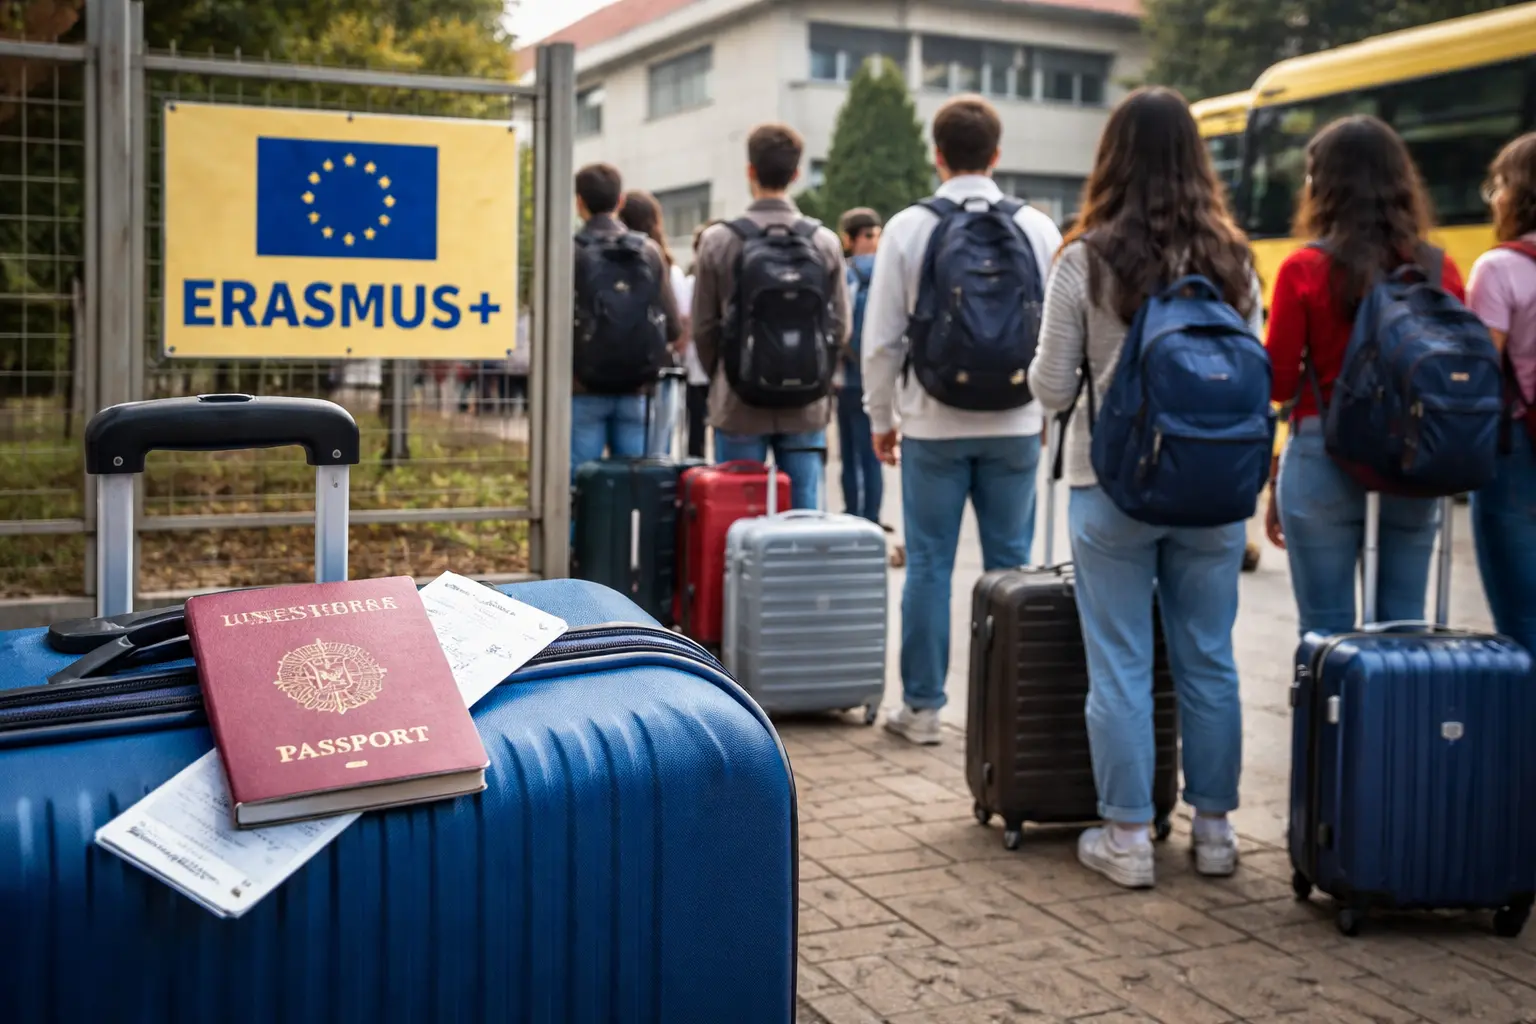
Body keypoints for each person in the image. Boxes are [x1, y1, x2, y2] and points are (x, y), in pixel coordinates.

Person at [1030, 86, 1263, 887]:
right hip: (1213, 489)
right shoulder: (1235, 259)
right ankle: (1217, 833)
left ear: (1112, 156)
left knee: (1122, 663)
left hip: (1111, 487)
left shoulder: (1085, 257)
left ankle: (1128, 840)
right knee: (1210, 660)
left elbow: (1055, 388)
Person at [863, 95, 1061, 745]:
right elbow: (1056, 338)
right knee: (1009, 569)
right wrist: (1046, 414)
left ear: (937, 155)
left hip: (931, 423)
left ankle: (921, 710)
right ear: (997, 155)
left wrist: (881, 416)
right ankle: (1008, 710)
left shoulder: (907, 228)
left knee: (927, 564)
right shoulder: (1038, 227)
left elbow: (883, 340)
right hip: (1016, 421)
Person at [1264, 116, 1459, 636]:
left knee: (1325, 634)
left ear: (1322, 186)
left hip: (1322, 456)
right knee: (1404, 631)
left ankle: (1331, 719)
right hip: (1415, 464)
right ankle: (1396, 719)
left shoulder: (1302, 269)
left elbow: (1278, 384)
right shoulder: (1440, 270)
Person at [692, 125, 850, 509]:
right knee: (802, 514)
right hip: (806, 405)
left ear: (750, 171)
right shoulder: (824, 241)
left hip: (738, 404)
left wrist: (728, 373)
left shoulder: (720, 240)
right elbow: (841, 326)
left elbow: (703, 328)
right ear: (796, 175)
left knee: (734, 514)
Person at [1467, 132, 1536, 654]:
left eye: (1498, 186)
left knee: (1521, 611)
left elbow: (1481, 371)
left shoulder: (1499, 268)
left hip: (1516, 448)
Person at [570, 164, 682, 479]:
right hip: (637, 387)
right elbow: (672, 326)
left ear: (579, 203)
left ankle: (580, 531)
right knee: (634, 487)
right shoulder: (648, 251)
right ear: (620, 201)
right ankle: (630, 531)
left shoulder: (570, 252)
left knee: (580, 488)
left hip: (582, 388)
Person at [837, 207, 885, 524]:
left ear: (847, 239)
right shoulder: (887, 271)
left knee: (849, 453)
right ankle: (872, 518)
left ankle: (853, 514)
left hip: (847, 377)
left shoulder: (844, 272)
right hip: (878, 377)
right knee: (873, 455)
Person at [683, 226, 712, 459]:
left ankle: (696, 467)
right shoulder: (692, 281)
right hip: (712, 367)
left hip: (697, 364)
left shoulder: (691, 282)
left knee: (696, 424)